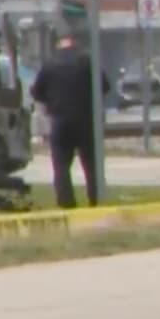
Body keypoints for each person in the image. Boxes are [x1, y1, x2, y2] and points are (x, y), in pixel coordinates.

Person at [30, 35, 110, 208]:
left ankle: (66, 201)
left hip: (60, 120)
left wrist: (52, 103)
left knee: (61, 165)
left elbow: (36, 92)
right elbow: (104, 86)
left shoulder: (49, 64)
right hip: (86, 119)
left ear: (59, 46)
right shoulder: (87, 62)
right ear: (76, 45)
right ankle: (95, 198)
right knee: (91, 164)